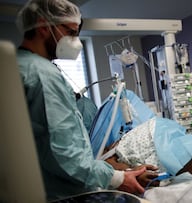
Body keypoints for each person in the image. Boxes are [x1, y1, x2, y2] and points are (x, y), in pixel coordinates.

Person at [15, 0, 153, 200]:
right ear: (44, 26)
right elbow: (66, 154)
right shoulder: (43, 75)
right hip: (63, 193)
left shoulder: (18, 65)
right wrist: (116, 178)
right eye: (70, 33)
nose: (75, 42)